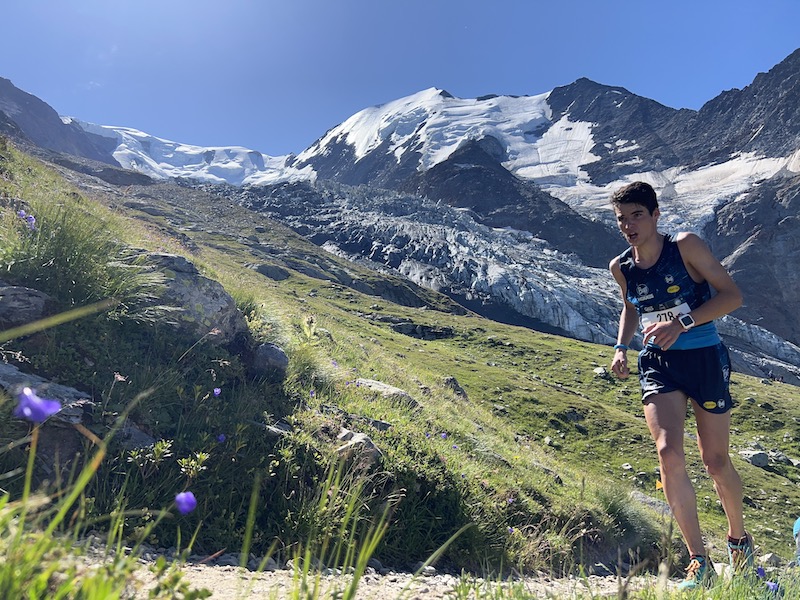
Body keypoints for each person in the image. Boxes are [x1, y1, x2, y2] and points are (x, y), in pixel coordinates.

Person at [607, 181, 752, 590]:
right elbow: (630, 306)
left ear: (655, 215)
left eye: (637, 215)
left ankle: (739, 541)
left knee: (716, 462)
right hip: (658, 363)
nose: (629, 225)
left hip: (704, 357)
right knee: (668, 452)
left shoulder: (685, 246)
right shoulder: (622, 267)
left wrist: (682, 323)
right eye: (622, 219)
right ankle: (698, 560)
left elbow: (732, 296)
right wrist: (621, 346)